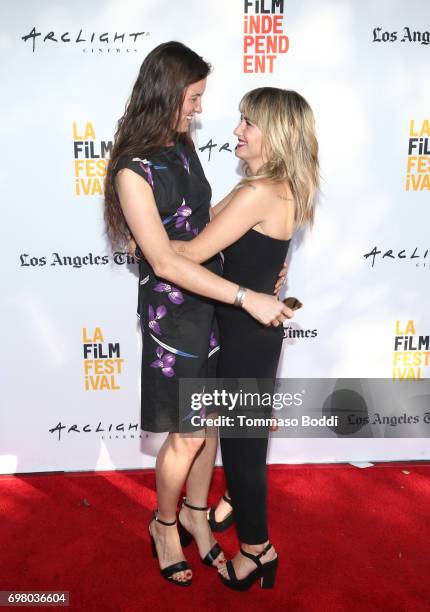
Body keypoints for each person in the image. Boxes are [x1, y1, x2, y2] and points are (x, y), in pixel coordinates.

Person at [104, 42, 292, 587]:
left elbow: (201, 226)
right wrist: (244, 296)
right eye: (193, 98)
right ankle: (165, 526)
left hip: (211, 302)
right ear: (165, 94)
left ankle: (196, 513)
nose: (199, 110)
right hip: (175, 318)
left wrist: (257, 274)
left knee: (210, 429)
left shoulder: (183, 145)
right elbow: (164, 259)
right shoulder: (131, 172)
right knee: (188, 434)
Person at [170, 87, 319, 590]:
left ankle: (257, 550)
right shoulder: (278, 186)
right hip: (245, 333)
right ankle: (235, 502)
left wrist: (146, 237)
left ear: (274, 136)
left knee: (244, 451)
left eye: (248, 123)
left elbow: (190, 255)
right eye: (239, 120)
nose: (237, 129)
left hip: (246, 337)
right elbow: (255, 258)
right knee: (241, 444)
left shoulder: (260, 192)